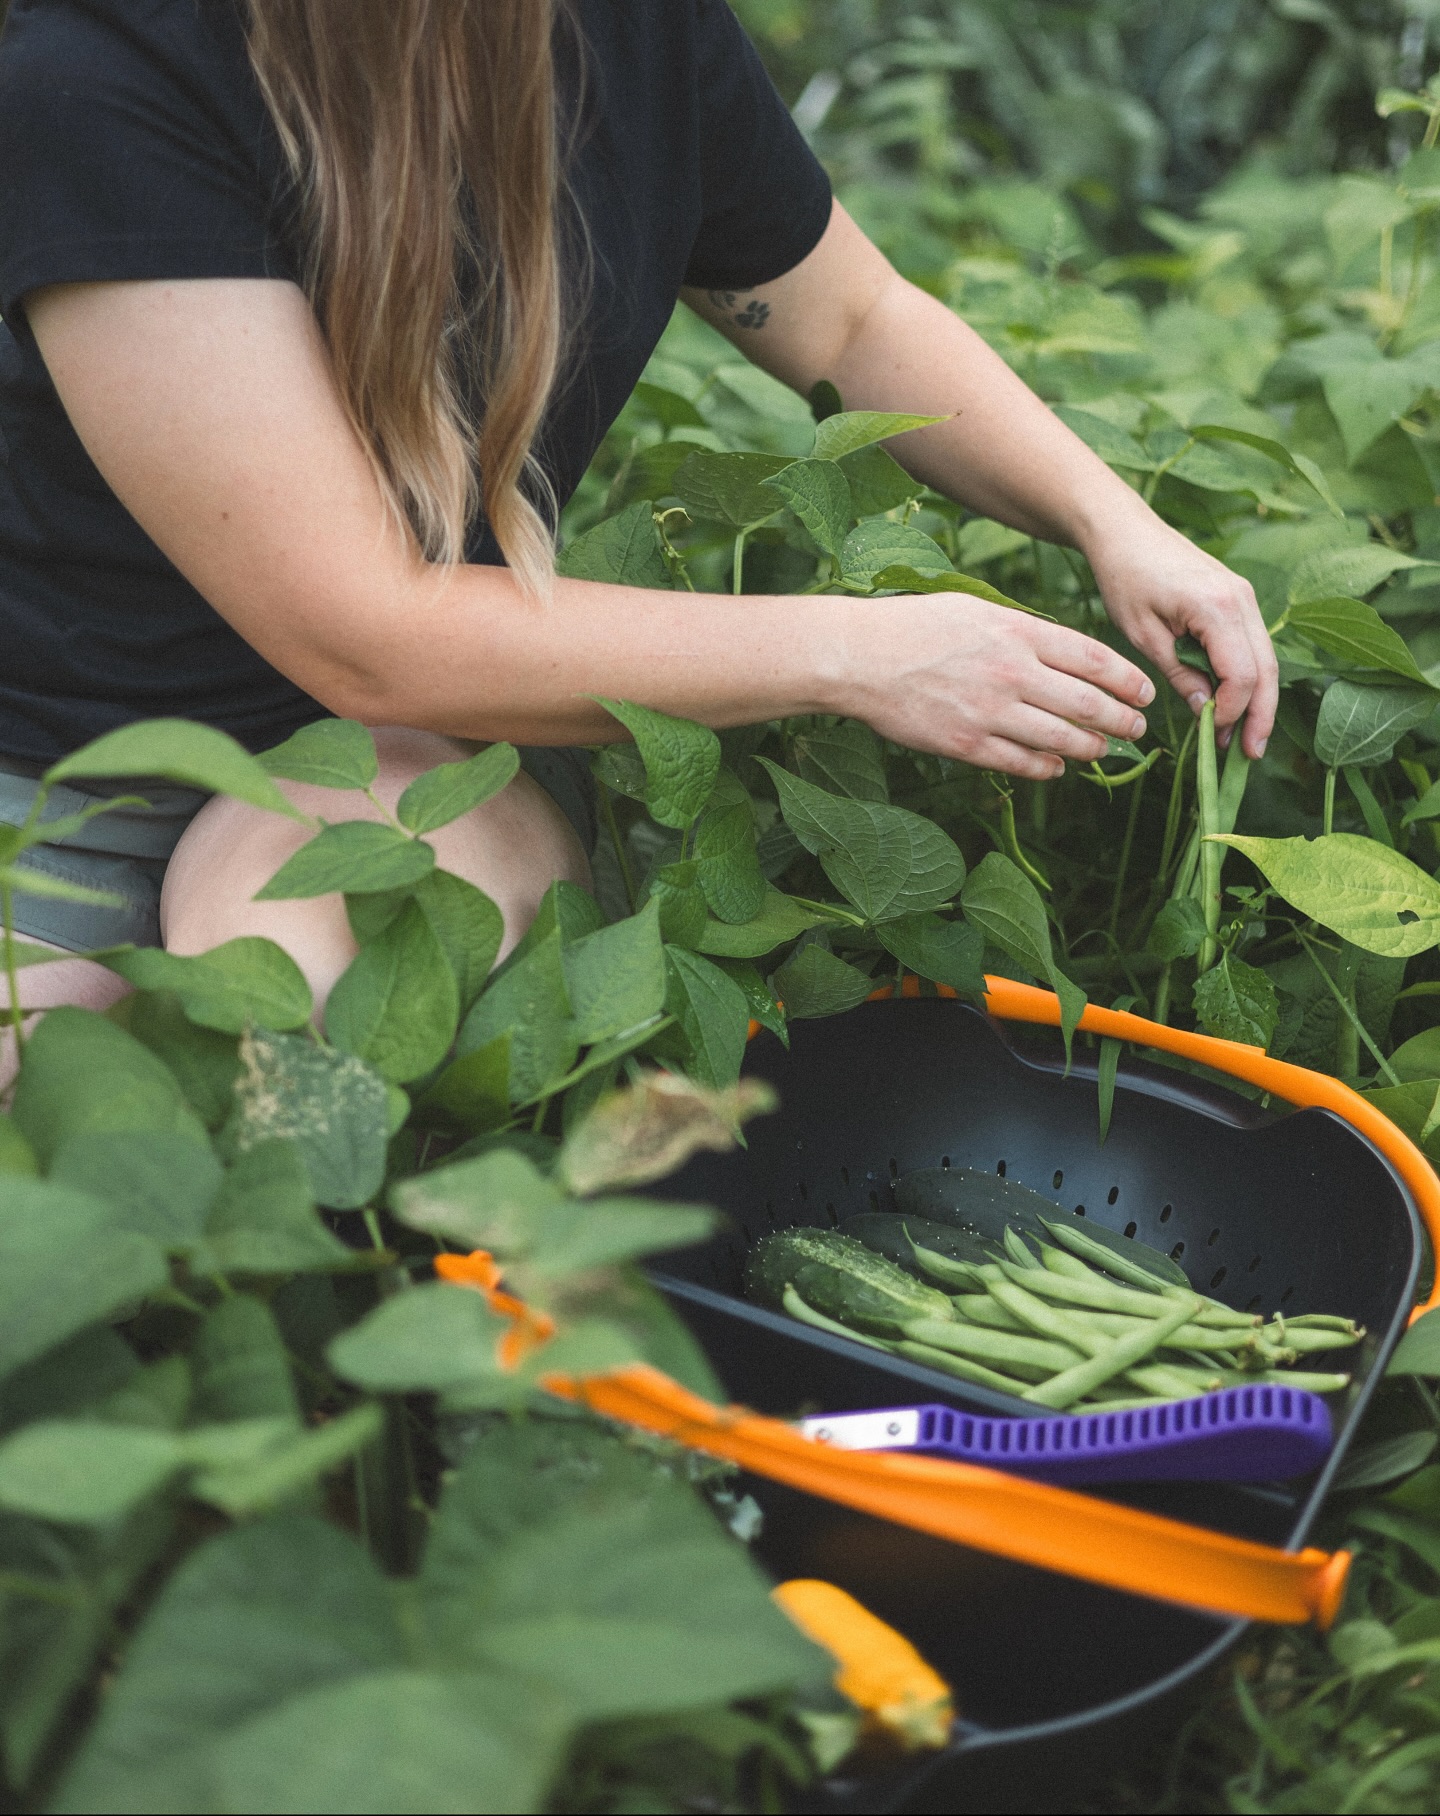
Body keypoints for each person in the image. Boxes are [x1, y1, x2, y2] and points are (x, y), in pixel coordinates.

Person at [0, 0, 1276, 1083]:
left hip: (429, 747)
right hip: (75, 769)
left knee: (300, 997)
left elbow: (849, 320)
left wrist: (1119, 519)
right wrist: (858, 651)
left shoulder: (626, 26)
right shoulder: (105, 77)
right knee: (72, 1167)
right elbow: (366, 632)